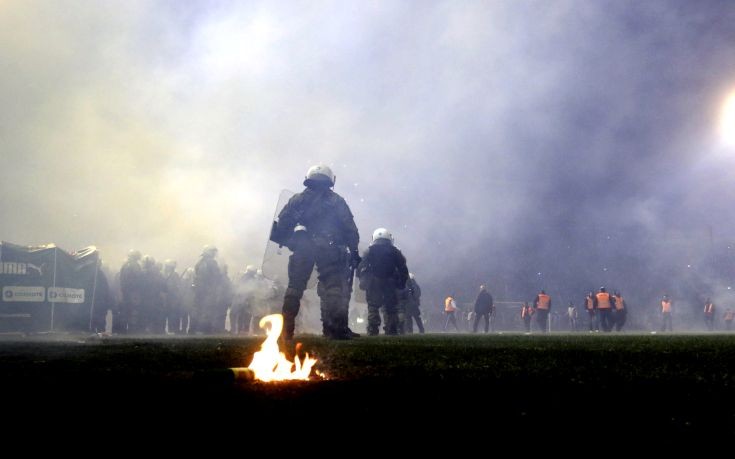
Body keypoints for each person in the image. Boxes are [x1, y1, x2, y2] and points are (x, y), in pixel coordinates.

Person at [270, 164, 361, 341]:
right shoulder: (336, 201)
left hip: (303, 246)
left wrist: (293, 241)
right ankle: (334, 330)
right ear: (330, 180)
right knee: (333, 287)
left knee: (295, 287)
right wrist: (354, 250)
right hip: (329, 246)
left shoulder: (297, 200)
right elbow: (349, 228)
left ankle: (286, 331)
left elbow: (281, 227)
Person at [357, 228, 408, 335]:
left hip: (374, 282)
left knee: (373, 307)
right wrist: (401, 283)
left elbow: (361, 267)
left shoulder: (369, 250)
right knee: (390, 307)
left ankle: (373, 329)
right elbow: (403, 268)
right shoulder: (395, 251)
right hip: (390, 282)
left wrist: (362, 280)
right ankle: (391, 329)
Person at [192, 245, 222, 334]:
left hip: (199, 291)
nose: (214, 253)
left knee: (199, 310)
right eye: (213, 251)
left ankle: (196, 329)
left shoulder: (199, 263)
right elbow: (217, 277)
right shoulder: (212, 263)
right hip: (208, 291)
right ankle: (204, 330)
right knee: (207, 311)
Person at [115, 249, 142, 334]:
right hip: (133, 293)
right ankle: (131, 332)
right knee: (132, 313)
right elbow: (138, 280)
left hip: (126, 292)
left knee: (125, 312)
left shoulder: (125, 265)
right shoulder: (135, 266)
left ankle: (123, 331)